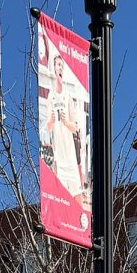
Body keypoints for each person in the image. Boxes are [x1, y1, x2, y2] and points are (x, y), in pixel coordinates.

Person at [45, 55, 85, 196]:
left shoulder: (67, 96)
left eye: (62, 65)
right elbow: (48, 127)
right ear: (54, 68)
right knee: (60, 195)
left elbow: (74, 127)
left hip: (69, 152)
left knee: (77, 193)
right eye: (58, 65)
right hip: (58, 152)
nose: (60, 67)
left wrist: (65, 122)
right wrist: (52, 120)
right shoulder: (51, 96)